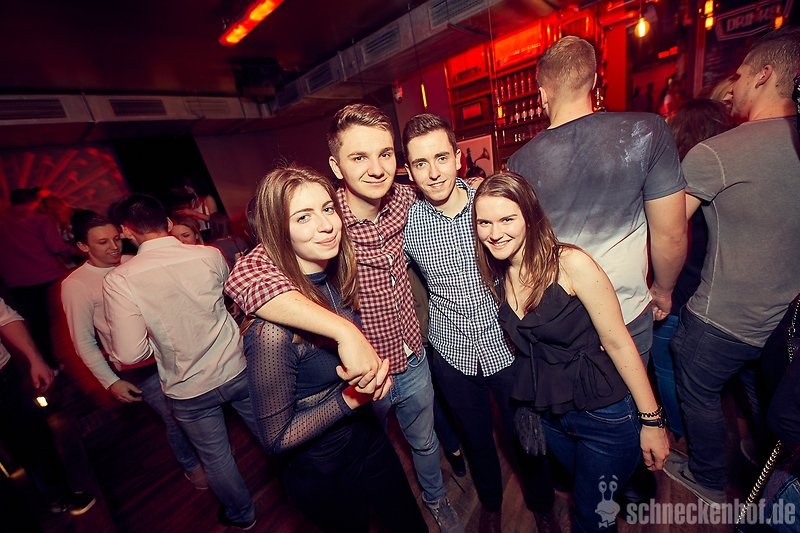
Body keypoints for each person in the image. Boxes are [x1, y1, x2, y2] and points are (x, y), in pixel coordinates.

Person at [226, 103, 461, 532]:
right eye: (358, 157)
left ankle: (435, 498)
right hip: (359, 374)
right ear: (336, 166)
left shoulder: (407, 199)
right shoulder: (322, 213)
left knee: (423, 442)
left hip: (412, 356)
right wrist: (345, 331)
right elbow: (244, 276)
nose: (376, 169)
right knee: (371, 465)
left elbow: (450, 189)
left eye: (385, 154)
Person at [507, 35, 686, 507]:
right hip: (627, 312)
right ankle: (625, 482)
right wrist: (663, 289)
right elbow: (670, 234)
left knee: (582, 412)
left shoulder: (519, 163)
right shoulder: (646, 131)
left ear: (541, 94)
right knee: (628, 404)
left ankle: (596, 479)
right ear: (594, 82)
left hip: (561, 327)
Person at [472, 172, 670, 533]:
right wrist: (527, 407)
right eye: (484, 222)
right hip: (553, 417)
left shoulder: (570, 263)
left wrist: (652, 421)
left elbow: (619, 342)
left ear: (530, 216)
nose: (494, 233)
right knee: (585, 493)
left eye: (507, 219)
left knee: (590, 517)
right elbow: (531, 351)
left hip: (605, 416)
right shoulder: (500, 274)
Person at [242, 165, 426, 533]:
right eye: (303, 217)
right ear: (278, 231)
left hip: (370, 439)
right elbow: (276, 438)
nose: (326, 225)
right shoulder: (270, 331)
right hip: (322, 469)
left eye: (327, 209)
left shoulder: (333, 279)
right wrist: (353, 398)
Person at [665, 27, 800, 505]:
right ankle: (765, 471)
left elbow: (670, 233)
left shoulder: (718, 152)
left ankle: (706, 475)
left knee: (698, 388)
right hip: (783, 322)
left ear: (764, 76)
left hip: (720, 317)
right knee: (763, 398)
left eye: (741, 75)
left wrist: (662, 289)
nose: (734, 85)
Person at [402, 113, 556, 533]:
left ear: (458, 157)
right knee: (475, 438)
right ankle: (491, 505)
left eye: (441, 158)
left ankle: (543, 506)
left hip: (506, 345)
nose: (434, 173)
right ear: (409, 172)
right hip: (451, 351)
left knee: (525, 433)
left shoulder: (489, 205)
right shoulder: (408, 225)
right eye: (420, 163)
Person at [103, 194, 259, 530]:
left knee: (216, 458)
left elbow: (129, 354)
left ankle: (243, 516)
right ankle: (300, 486)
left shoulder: (120, 279)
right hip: (236, 367)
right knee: (270, 432)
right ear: (169, 222)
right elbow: (228, 300)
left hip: (188, 388)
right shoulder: (209, 255)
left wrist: (165, 343)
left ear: (126, 231)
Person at [60, 210, 206, 489]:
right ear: (82, 246)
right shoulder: (76, 285)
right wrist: (110, 381)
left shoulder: (134, 261)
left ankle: (211, 453)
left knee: (195, 407)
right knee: (173, 417)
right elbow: (83, 342)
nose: (113, 246)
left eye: (116, 238)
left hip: (171, 353)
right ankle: (192, 464)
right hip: (137, 367)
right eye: (102, 242)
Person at [649, 99, 736, 441]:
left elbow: (668, 234)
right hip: (717, 293)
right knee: (708, 381)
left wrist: (660, 288)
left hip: (680, 289)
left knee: (666, 364)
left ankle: (682, 436)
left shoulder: (679, 182)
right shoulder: (731, 175)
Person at [0, 297, 96, 518]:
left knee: (33, 438)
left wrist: (35, 359)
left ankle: (59, 496)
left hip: (4, 379)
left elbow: (5, 318)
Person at [0, 188, 76, 367]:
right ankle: (71, 361)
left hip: (16, 283)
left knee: (37, 324)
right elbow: (56, 247)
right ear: (34, 201)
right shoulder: (41, 219)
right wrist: (80, 250)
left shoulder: (2, 222)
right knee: (61, 323)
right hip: (48, 277)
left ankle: (50, 364)